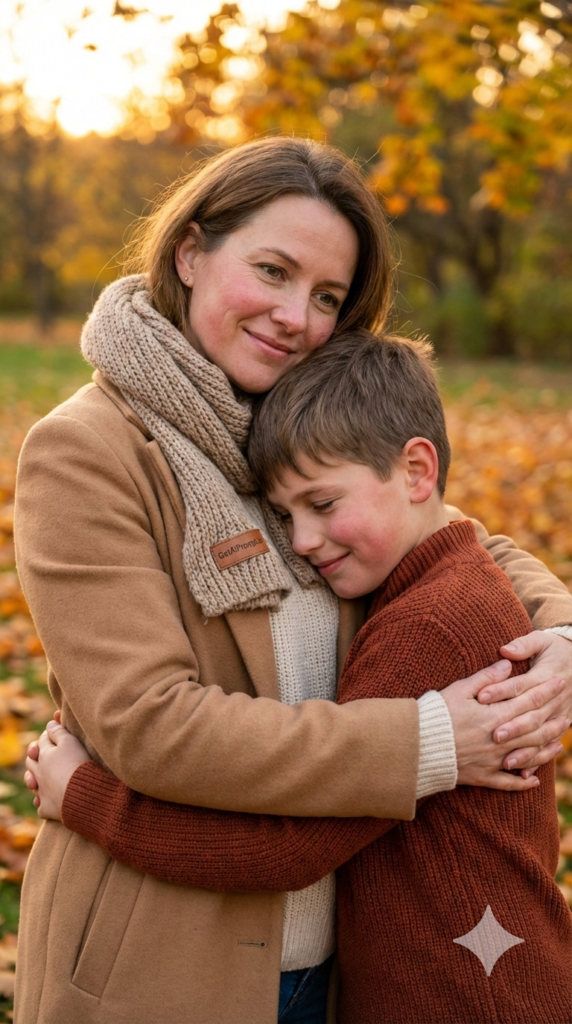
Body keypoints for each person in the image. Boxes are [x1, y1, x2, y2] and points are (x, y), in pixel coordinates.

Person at [14, 137, 572, 1024]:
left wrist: (561, 635)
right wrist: (429, 741)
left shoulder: (301, 423)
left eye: (326, 297)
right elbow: (152, 724)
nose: (293, 317)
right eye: (272, 271)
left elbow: (451, 542)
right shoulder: (89, 452)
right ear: (190, 253)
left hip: (345, 965)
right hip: (169, 960)